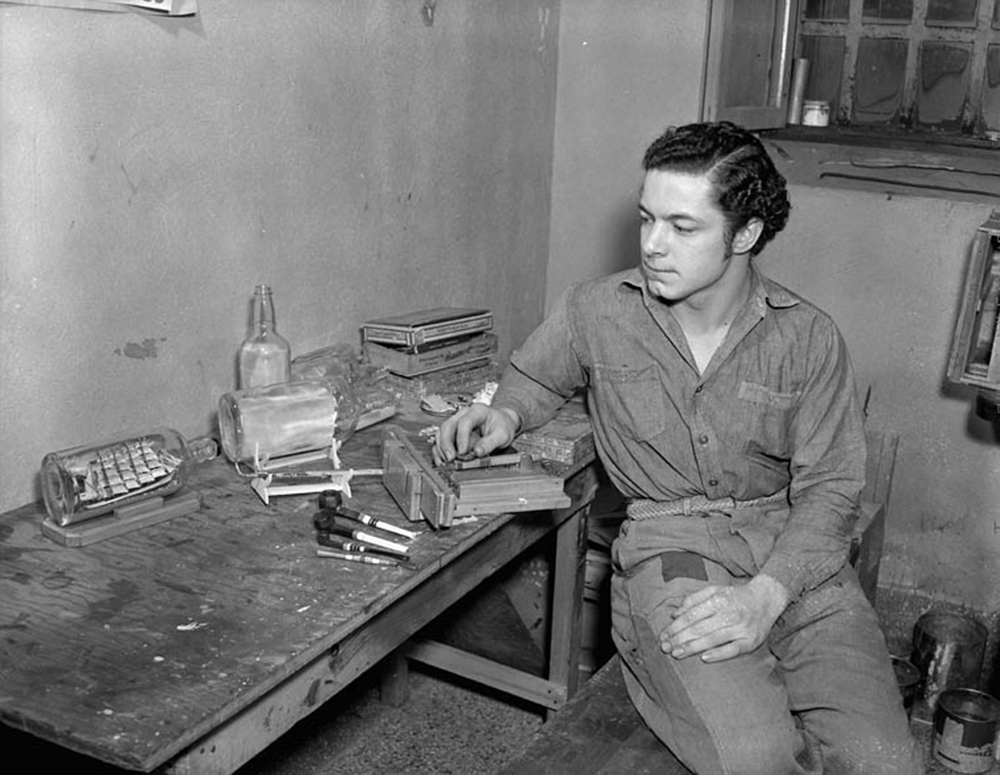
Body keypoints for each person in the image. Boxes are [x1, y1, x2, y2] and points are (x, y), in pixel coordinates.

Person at [434, 121, 922, 774]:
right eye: (646, 218)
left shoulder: (806, 338)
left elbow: (831, 490)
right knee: (759, 757)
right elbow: (534, 376)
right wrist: (503, 416)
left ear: (745, 233)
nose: (653, 245)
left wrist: (766, 597)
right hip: (675, 550)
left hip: (796, 556)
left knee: (886, 761)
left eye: (682, 227)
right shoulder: (594, 311)